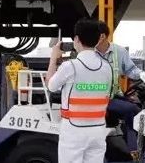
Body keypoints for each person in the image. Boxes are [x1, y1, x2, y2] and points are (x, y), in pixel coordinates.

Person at [46, 20, 113, 163]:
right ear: (98, 39)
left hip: (74, 130)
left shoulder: (70, 66)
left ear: (76, 39)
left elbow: (51, 86)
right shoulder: (107, 67)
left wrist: (53, 58)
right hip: (98, 129)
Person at [95, 21, 145, 150]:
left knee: (138, 110)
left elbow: (131, 69)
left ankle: (134, 147)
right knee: (131, 110)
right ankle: (134, 149)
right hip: (96, 98)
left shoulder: (119, 51)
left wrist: (141, 74)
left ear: (102, 36)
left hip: (114, 96)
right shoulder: (89, 53)